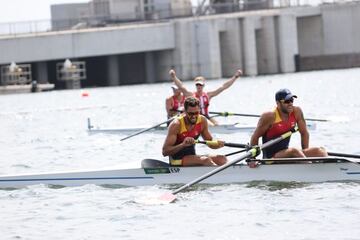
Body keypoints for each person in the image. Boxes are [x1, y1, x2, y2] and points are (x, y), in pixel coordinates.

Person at [250, 88, 328, 159]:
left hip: (286, 153)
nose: (290, 103)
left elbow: (304, 133)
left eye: (291, 100)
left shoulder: (297, 111)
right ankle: (307, 169)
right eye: (287, 101)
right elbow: (254, 138)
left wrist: (305, 153)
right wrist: (253, 160)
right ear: (278, 103)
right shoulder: (269, 116)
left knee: (320, 151)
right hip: (271, 157)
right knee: (294, 151)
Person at [162, 96, 227, 166]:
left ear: (199, 110)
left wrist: (218, 144)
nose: (194, 116)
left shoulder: (202, 121)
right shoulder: (176, 125)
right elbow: (165, 152)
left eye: (196, 113)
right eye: (191, 113)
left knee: (222, 159)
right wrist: (182, 145)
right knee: (206, 160)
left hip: (191, 157)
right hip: (176, 159)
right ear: (185, 112)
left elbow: (210, 143)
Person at [169, 69, 242, 125]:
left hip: (206, 116)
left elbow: (223, 87)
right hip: (196, 117)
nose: (198, 86)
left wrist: (235, 77)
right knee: (212, 126)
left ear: (203, 85)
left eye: (200, 85)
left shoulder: (208, 95)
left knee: (217, 125)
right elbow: (181, 87)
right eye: (197, 85)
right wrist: (174, 77)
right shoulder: (191, 95)